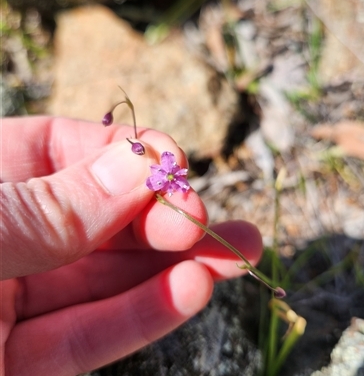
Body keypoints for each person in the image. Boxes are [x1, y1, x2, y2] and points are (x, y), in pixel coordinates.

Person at [0, 116, 262, 376]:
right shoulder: (154, 174)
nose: (171, 174)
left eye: (171, 174)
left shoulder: (166, 175)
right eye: (169, 174)